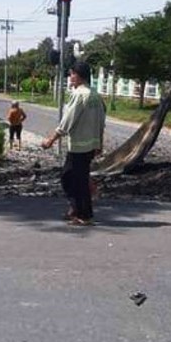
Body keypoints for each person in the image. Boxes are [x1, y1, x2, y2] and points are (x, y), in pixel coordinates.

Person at [42, 61, 106, 226]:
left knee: (70, 179)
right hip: (90, 145)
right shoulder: (95, 95)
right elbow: (101, 121)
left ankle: (82, 213)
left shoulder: (79, 95)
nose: (70, 77)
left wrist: (51, 139)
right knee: (78, 178)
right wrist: (99, 143)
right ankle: (79, 210)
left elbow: (67, 121)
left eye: (71, 74)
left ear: (78, 75)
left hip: (79, 146)